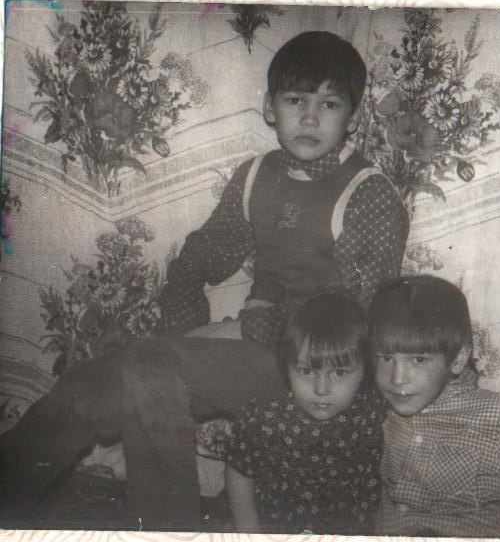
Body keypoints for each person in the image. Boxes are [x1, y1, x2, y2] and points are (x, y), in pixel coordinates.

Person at [0, 31, 408, 530]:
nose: (309, 118)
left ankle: (169, 530)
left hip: (318, 370)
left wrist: (240, 329)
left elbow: (360, 319)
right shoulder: (256, 175)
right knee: (95, 379)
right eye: (295, 101)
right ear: (269, 106)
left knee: (150, 368)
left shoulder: (368, 192)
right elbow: (199, 258)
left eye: (329, 104)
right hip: (253, 354)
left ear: (354, 117)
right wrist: (182, 329)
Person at [368, 275, 500, 539]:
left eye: (418, 359)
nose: (397, 378)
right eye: (386, 358)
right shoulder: (383, 413)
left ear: (458, 359)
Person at [197, 293, 386, 534]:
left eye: (339, 373)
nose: (321, 389)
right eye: (307, 371)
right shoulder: (264, 418)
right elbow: (240, 473)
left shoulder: (373, 415)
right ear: (287, 367)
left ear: (365, 371)